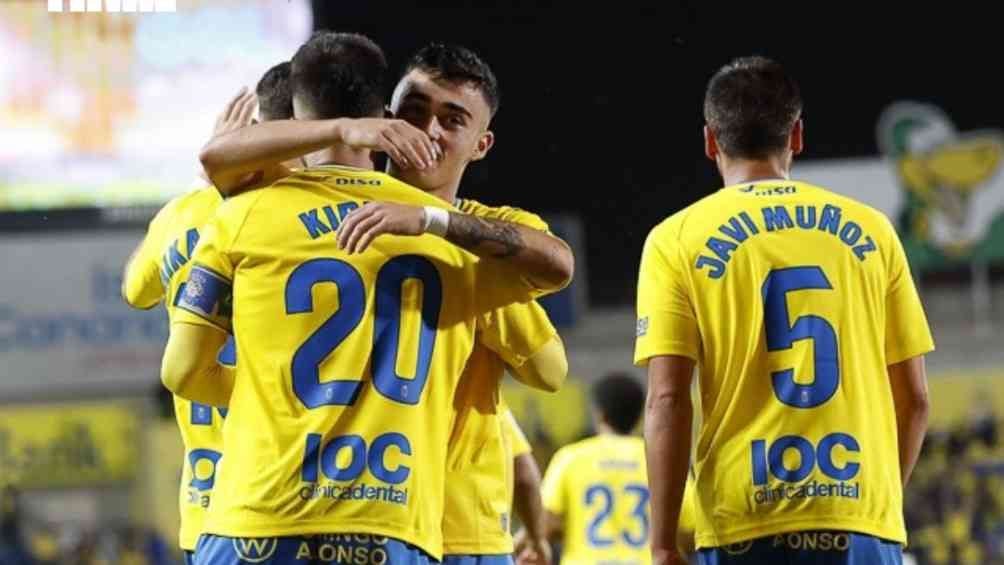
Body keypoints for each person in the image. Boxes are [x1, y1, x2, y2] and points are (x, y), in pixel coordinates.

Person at [161, 31, 563, 565]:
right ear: (384, 114)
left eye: (452, 119)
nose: (425, 131)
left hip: (262, 520)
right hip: (394, 522)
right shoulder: (474, 256)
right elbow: (550, 361)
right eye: (413, 111)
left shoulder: (244, 213)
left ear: (482, 142)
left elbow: (180, 362)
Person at [636, 56, 934, 564]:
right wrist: (878, 507)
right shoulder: (874, 230)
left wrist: (663, 542)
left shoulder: (675, 240)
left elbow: (668, 400)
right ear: (796, 136)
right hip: (860, 516)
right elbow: (915, 401)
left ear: (711, 141)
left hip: (742, 518)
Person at [120, 60, 295, 565]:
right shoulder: (316, 215)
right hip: (299, 498)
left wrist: (205, 183)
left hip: (208, 506)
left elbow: (134, 289)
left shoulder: (185, 215)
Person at [533, 373, 650, 565]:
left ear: (600, 413)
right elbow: (687, 527)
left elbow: (548, 522)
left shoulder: (571, 458)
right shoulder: (655, 460)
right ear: (639, 417)